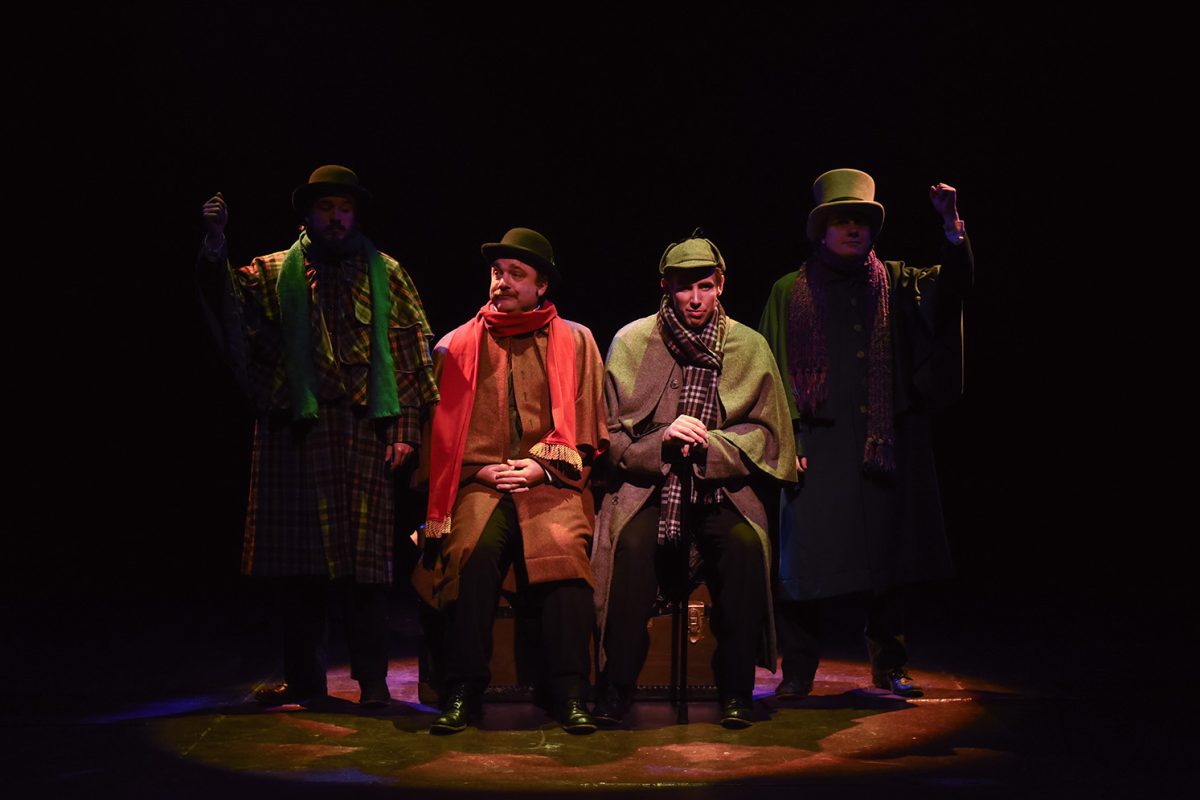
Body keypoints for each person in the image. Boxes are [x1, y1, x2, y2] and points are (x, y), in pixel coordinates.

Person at [198, 165, 439, 708]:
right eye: (326, 208)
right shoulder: (272, 272)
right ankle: (306, 683)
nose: (336, 217)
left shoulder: (387, 274)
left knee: (366, 575)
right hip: (296, 434)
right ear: (308, 215)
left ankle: (374, 687)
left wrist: (404, 431)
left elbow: (409, 357)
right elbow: (225, 307)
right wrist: (215, 244)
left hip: (359, 434)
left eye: (345, 208)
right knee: (300, 574)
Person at [758, 168, 973, 699]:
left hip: (883, 442)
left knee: (888, 561)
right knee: (805, 565)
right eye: (842, 220)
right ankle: (800, 672)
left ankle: (889, 664)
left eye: (861, 221)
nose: (853, 229)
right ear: (822, 230)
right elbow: (770, 371)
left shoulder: (895, 281)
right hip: (818, 447)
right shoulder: (790, 292)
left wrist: (952, 230)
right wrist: (792, 444)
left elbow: (951, 293)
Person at [590, 233, 796, 729]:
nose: (696, 299)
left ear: (721, 284)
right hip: (648, 489)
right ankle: (617, 687)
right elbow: (607, 435)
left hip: (719, 489)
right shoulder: (632, 340)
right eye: (685, 288)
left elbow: (769, 435)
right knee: (629, 550)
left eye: (705, 286)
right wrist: (661, 439)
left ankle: (735, 692)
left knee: (746, 547)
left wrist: (715, 446)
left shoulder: (749, 345)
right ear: (666, 287)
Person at [416, 227, 607, 734]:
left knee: (564, 550)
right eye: (497, 272)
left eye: (515, 274)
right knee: (470, 556)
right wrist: (480, 469)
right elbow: (436, 439)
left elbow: (589, 428)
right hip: (480, 482)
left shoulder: (577, 340)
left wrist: (542, 467)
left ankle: (569, 693)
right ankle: (462, 691)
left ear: (542, 284)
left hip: (553, 481)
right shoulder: (455, 346)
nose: (502, 282)